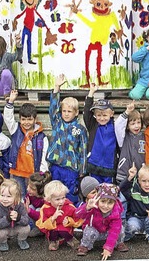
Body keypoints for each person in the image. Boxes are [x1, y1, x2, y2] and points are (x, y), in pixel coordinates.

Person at [49, 74, 88, 203]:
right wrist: (56, 88)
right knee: (55, 193)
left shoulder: (80, 129)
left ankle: (72, 217)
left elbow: (83, 150)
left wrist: (82, 170)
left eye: (69, 111)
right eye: (64, 111)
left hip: (71, 168)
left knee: (70, 195)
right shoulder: (57, 123)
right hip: (56, 166)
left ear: (76, 113)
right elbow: (53, 109)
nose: (66, 114)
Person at [5, 90, 49, 198]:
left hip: (33, 174)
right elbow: (8, 118)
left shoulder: (41, 137)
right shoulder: (16, 129)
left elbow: (43, 156)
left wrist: (42, 172)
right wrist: (11, 101)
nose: (26, 122)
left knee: (32, 197)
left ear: (35, 119)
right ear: (20, 119)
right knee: (19, 195)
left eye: (29, 119)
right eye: (23, 119)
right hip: (17, 171)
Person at [76, 183, 129, 258]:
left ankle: (118, 243)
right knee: (89, 231)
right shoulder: (93, 205)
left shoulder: (115, 212)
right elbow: (77, 215)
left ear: (115, 202)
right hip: (94, 231)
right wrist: (87, 207)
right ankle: (85, 246)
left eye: (110, 203)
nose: (106, 206)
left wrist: (108, 248)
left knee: (120, 228)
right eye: (103, 201)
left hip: (107, 232)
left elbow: (114, 230)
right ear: (98, 199)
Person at [120, 164, 149, 243]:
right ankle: (126, 235)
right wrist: (130, 177)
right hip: (136, 217)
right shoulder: (134, 191)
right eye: (143, 181)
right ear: (139, 180)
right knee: (132, 226)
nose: (147, 184)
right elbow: (122, 189)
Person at [84, 83, 119, 183]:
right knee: (94, 189)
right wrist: (91, 93)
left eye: (104, 115)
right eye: (98, 115)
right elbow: (86, 112)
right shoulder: (93, 125)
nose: (101, 118)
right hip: (94, 164)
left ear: (111, 114)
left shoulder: (115, 126)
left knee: (107, 192)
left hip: (109, 166)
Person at [36, 180, 82, 251]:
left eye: (63, 198)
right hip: (53, 230)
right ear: (49, 199)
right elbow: (41, 225)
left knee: (64, 231)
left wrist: (69, 221)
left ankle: (71, 240)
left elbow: (77, 218)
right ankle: (53, 241)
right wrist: (53, 218)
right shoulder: (45, 208)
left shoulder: (69, 206)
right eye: (57, 199)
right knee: (53, 232)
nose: (61, 201)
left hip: (65, 229)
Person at [0, 179, 30, 251]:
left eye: (9, 196)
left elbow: (26, 220)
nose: (5, 199)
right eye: (2, 195)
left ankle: (21, 240)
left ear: (17, 197)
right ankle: (3, 242)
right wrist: (7, 218)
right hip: (5, 229)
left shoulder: (20, 206)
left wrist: (18, 217)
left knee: (27, 228)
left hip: (17, 227)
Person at [115, 102, 145, 184]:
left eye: (138, 123)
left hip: (140, 176)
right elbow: (118, 125)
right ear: (127, 126)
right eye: (132, 123)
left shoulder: (145, 137)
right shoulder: (123, 137)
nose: (136, 126)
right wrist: (127, 112)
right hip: (124, 175)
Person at [25, 171, 52, 236]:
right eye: (28, 186)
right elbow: (26, 202)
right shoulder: (30, 194)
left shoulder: (46, 200)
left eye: (32, 188)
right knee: (30, 206)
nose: (27, 189)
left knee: (37, 210)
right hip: (34, 213)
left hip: (45, 219)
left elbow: (42, 216)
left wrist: (29, 211)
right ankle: (31, 226)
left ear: (41, 190)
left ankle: (40, 230)